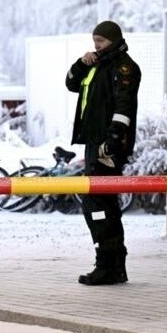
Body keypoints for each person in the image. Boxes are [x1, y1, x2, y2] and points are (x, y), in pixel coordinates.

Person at [65, 20, 140, 286]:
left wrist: (112, 140)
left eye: (101, 41)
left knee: (97, 203)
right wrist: (81, 64)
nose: (96, 46)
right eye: (94, 41)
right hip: (94, 143)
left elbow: (124, 105)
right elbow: (71, 84)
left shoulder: (124, 67)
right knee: (103, 203)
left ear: (114, 40)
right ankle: (113, 265)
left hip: (107, 146)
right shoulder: (96, 65)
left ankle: (108, 264)